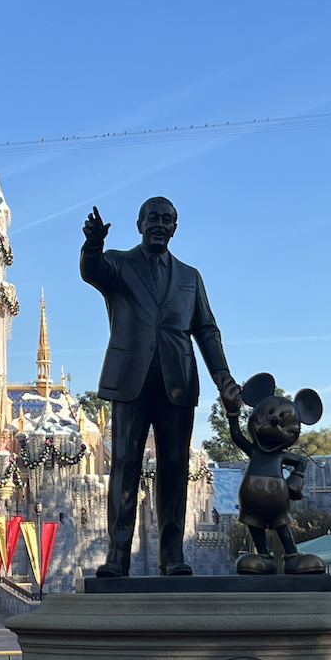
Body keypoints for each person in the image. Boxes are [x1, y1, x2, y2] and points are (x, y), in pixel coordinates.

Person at [81, 198, 242, 577]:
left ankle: (172, 554)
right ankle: (118, 555)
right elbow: (93, 270)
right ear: (139, 224)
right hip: (130, 381)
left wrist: (223, 377)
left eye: (167, 220)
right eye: (152, 218)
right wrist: (93, 244)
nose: (159, 224)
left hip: (178, 384)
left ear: (174, 228)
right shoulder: (119, 264)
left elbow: (207, 330)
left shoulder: (190, 277)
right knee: (125, 465)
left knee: (175, 468)